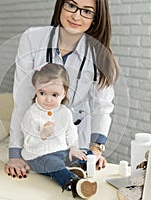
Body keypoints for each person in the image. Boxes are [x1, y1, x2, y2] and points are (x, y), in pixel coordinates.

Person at [5, 0, 119, 178]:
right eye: (71, 6)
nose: (76, 16)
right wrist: (15, 154)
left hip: (76, 138)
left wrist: (96, 148)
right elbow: (22, 99)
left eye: (87, 11)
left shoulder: (99, 53)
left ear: (95, 19)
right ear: (60, 5)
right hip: (38, 139)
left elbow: (103, 107)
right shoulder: (32, 38)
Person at [21, 63, 97, 198]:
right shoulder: (32, 114)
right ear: (36, 90)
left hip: (61, 151)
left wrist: (74, 147)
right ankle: (75, 184)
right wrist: (42, 135)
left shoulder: (64, 112)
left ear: (64, 93)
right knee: (54, 164)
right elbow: (29, 142)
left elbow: (71, 132)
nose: (48, 99)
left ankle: (76, 169)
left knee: (86, 153)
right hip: (39, 155)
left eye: (55, 95)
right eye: (42, 93)